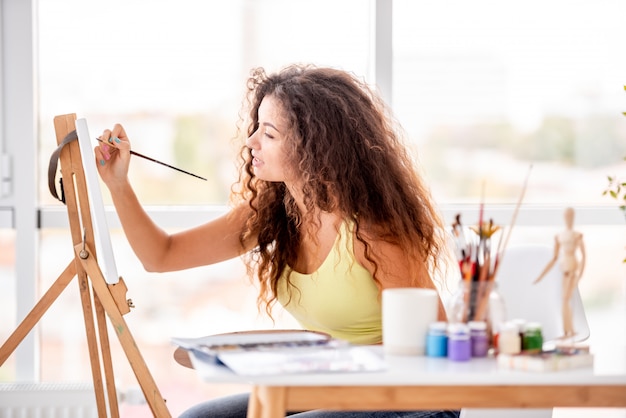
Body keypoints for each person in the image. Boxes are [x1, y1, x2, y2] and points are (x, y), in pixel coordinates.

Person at [95, 64, 457, 418]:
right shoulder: (270, 214)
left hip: (409, 396)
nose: (251, 141)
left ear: (315, 147)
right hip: (327, 388)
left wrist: (318, 362)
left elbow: (429, 347)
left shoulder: (372, 231)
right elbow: (162, 255)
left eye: (269, 134)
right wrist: (118, 183)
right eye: (256, 128)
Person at [533, 207, 586, 339]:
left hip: (572, 268)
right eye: (567, 216)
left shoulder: (576, 235)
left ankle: (569, 331)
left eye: (571, 216)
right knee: (564, 300)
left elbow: (584, 256)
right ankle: (568, 331)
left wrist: (580, 275)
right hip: (564, 269)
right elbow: (554, 258)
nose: (569, 218)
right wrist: (541, 275)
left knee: (565, 300)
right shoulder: (559, 236)